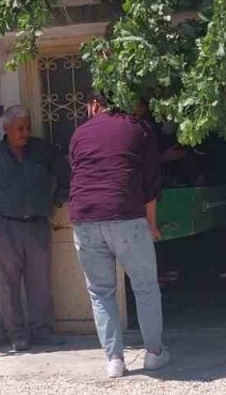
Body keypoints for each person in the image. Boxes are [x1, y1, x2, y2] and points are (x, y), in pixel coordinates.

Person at [68, 92, 169, 378]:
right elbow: (150, 182)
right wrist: (152, 223)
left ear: (95, 105)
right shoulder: (138, 129)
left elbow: (77, 174)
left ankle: (114, 361)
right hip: (126, 215)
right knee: (145, 286)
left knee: (101, 292)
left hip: (85, 217)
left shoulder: (79, 134)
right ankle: (154, 354)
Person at [0, 105, 71, 351]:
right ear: (6, 129)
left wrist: (55, 201)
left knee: (40, 282)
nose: (25, 133)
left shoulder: (43, 151)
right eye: (20, 128)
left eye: (27, 127)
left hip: (37, 223)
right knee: (8, 283)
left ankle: (42, 331)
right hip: (5, 226)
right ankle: (16, 333)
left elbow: (65, 175)